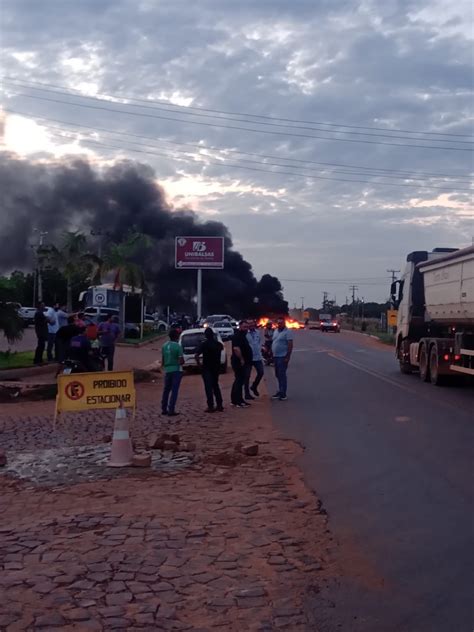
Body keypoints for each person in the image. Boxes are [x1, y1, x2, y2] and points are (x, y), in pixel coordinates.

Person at [195, 327, 224, 413]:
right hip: (216, 368)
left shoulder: (204, 344)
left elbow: (196, 355)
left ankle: (210, 406)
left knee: (208, 387)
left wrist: (199, 364)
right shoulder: (219, 344)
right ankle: (219, 405)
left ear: (206, 335)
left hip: (206, 368)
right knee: (215, 386)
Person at [161, 328, 184, 416]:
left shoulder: (164, 346)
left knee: (166, 390)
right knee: (174, 391)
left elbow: (162, 360)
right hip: (176, 370)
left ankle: (164, 408)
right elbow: (181, 361)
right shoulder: (178, 346)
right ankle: (171, 409)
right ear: (177, 336)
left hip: (167, 370)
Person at [230, 319, 252, 408]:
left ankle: (235, 400)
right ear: (240, 327)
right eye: (244, 327)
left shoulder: (243, 336)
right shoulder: (238, 336)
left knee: (238, 380)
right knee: (239, 381)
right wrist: (242, 359)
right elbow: (236, 349)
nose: (246, 329)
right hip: (238, 362)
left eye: (247, 327)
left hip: (242, 362)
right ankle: (238, 401)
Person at [271, 316, 294, 401]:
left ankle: (283, 393)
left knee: (282, 375)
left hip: (282, 356)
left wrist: (287, 357)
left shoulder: (288, 332)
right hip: (275, 356)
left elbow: (290, 345)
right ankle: (279, 391)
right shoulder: (276, 331)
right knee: (277, 374)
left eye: (281, 323)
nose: (279, 324)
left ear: (284, 323)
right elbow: (274, 341)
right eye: (278, 323)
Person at [245, 319, 264, 398]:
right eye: (249, 324)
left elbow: (259, 342)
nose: (251, 325)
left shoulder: (257, 332)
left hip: (257, 357)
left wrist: (260, 349)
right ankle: (247, 393)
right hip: (248, 358)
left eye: (252, 323)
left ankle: (254, 386)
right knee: (247, 376)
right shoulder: (245, 333)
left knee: (261, 372)